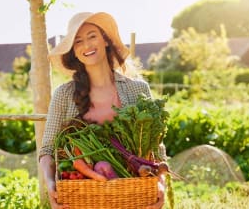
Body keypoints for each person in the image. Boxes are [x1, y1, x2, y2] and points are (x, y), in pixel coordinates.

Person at [39, 12, 165, 209]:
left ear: (105, 40)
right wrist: (50, 184)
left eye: (92, 36)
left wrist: (160, 185)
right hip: (83, 199)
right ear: (74, 51)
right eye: (78, 41)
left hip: (133, 198)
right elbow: (47, 151)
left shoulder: (137, 89)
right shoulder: (63, 95)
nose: (87, 45)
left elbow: (155, 149)